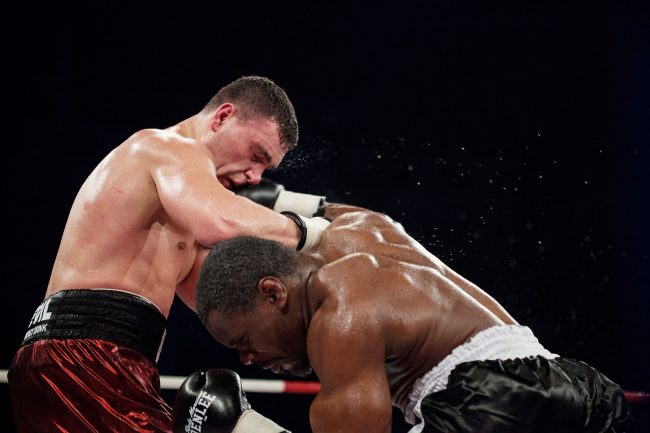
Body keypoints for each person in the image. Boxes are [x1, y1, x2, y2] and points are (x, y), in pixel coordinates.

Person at [8, 75, 330, 432]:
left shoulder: (182, 216)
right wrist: (311, 232)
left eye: (265, 169)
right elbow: (220, 220)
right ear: (222, 117)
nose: (255, 177)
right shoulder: (167, 148)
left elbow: (217, 304)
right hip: (85, 358)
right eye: (257, 155)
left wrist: (299, 332)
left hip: (92, 361)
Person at [190, 208, 634, 433]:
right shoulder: (361, 228)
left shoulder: (339, 318)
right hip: (576, 386)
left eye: (243, 339)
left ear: (273, 292)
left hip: (495, 406)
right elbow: (327, 211)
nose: (247, 359)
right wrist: (279, 204)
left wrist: (240, 425)